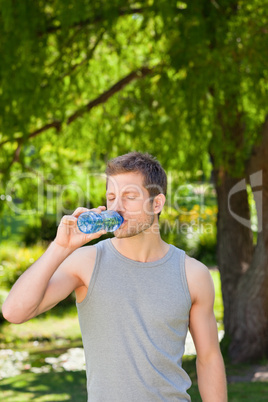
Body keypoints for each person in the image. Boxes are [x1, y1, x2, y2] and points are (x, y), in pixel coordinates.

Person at [2, 152, 227, 401]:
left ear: (157, 203)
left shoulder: (192, 274)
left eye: (129, 197)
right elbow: (15, 312)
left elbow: (208, 359)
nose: (116, 206)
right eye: (111, 197)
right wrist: (61, 247)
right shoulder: (86, 262)